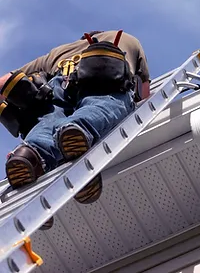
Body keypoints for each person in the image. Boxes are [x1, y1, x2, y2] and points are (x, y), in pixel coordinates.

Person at [0, 30, 150, 220]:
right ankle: (80, 130)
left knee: (47, 122)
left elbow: (5, 81)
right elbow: (144, 95)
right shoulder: (128, 39)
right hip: (106, 71)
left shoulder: (57, 53)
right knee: (102, 105)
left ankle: (29, 154)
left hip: (58, 84)